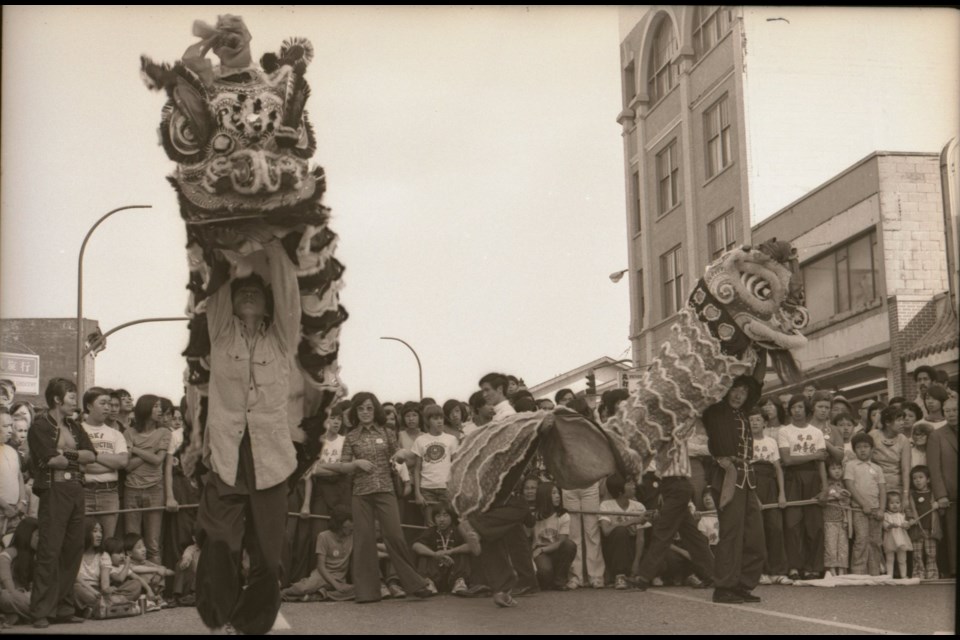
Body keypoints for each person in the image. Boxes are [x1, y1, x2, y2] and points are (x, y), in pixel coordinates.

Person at [195, 238, 303, 634]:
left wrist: (275, 247)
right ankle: (218, 614)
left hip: (271, 461)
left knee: (270, 556)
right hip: (226, 456)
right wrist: (226, 249)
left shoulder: (282, 338)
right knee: (221, 540)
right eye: (243, 290)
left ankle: (254, 620)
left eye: (256, 289)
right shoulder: (222, 332)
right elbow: (219, 287)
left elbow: (289, 292)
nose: (249, 292)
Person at [332, 392, 433, 603]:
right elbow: (342, 466)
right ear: (356, 412)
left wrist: (400, 455)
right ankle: (367, 592)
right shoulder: (351, 437)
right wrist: (356, 464)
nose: (365, 412)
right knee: (364, 541)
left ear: (375, 410)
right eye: (361, 408)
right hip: (361, 493)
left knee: (395, 536)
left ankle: (415, 584)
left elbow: (401, 457)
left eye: (369, 408)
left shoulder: (387, 433)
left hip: (386, 490)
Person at [28, 377, 96, 628]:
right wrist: (72, 458)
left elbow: (92, 455)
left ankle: (64, 608)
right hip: (54, 489)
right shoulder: (40, 425)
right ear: (57, 399)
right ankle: (40, 611)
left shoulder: (75, 426)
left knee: (73, 549)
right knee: (49, 550)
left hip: (76, 488)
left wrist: (66, 454)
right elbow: (49, 460)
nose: (75, 402)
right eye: (71, 396)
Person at [702, 370, 767, 604]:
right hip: (727, 474)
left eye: (744, 391)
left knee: (755, 536)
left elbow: (757, 385)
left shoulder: (744, 412)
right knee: (731, 534)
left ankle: (743, 584)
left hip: (748, 476)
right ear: (726, 390)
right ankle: (723, 587)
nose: (739, 395)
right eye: (735, 389)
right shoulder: (715, 411)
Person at [631, 421, 715, 593]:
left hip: (678, 485)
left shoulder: (678, 432)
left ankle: (644, 576)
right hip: (671, 486)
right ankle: (713, 575)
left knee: (662, 531)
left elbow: (688, 425)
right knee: (692, 536)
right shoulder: (658, 439)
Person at [778, 394, 827, 581]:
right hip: (792, 478)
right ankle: (794, 566)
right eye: (793, 407)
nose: (796, 411)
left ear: (807, 410)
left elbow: (821, 462)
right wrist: (814, 455)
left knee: (813, 524)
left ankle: (813, 567)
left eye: (800, 407)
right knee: (792, 523)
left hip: (813, 477)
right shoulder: (785, 431)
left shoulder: (816, 432)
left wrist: (824, 488)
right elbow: (787, 459)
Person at [123, 395, 170, 565]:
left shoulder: (164, 432)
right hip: (131, 489)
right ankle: (136, 584)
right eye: (156, 406)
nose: (160, 410)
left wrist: (136, 449)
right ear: (145, 408)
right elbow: (126, 466)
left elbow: (159, 461)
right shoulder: (128, 432)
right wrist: (151, 452)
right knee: (132, 542)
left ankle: (157, 585)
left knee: (153, 544)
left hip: (155, 489)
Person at [749, 408, 791, 585]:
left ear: (765, 423)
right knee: (757, 531)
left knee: (775, 527)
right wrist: (754, 496)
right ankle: (761, 571)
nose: (755, 423)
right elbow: (746, 470)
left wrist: (781, 493)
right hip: (753, 483)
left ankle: (778, 571)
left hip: (771, 486)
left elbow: (778, 469)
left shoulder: (771, 442)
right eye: (751, 420)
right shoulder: (744, 443)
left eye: (758, 420)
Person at [80, 387, 129, 540]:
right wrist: (109, 461)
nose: (108, 407)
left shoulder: (116, 434)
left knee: (107, 542)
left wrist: (92, 456)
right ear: (89, 406)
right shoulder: (77, 430)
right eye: (102, 403)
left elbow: (122, 462)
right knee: (82, 541)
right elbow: (80, 464)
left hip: (109, 493)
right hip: (83, 492)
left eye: (109, 403)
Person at [281, 507, 355, 602]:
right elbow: (321, 566)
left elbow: (371, 547)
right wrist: (336, 585)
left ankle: (320, 595)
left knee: (361, 591)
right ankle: (283, 594)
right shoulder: (324, 536)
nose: (351, 529)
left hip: (339, 577)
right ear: (339, 525)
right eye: (347, 527)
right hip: (322, 576)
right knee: (303, 589)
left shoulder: (352, 536)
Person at [844, 432, 886, 576]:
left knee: (875, 541)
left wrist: (881, 509)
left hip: (875, 510)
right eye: (859, 447)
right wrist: (863, 504)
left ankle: (874, 573)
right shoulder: (851, 465)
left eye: (866, 446)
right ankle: (858, 572)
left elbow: (882, 489)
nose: (863, 450)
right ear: (854, 450)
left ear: (872, 449)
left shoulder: (877, 468)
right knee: (861, 539)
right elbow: (850, 485)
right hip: (859, 509)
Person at [598, 474, 648, 590]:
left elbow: (640, 538)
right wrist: (632, 521)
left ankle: (635, 573)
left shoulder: (639, 506)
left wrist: (636, 562)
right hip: (614, 548)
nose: (634, 486)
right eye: (629, 484)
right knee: (620, 531)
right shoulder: (606, 505)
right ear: (620, 491)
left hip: (632, 547)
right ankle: (619, 575)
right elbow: (606, 531)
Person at [413, 404, 459, 527]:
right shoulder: (420, 440)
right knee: (430, 523)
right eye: (435, 418)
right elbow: (417, 469)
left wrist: (454, 488)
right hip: (427, 489)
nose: (439, 421)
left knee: (448, 522)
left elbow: (456, 466)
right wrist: (417, 493)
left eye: (441, 418)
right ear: (428, 421)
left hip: (446, 488)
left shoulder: (451, 439)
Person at [926, 396, 957, 578]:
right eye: (948, 411)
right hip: (950, 494)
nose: (952, 414)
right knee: (952, 536)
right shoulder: (937, 435)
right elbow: (934, 468)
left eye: (955, 410)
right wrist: (941, 495)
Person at [411, 502, 471, 595]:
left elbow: (471, 546)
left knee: (462, 551)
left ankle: (459, 583)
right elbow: (416, 545)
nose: (441, 519)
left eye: (445, 516)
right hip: (435, 574)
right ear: (434, 518)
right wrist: (435, 554)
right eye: (438, 516)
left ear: (452, 517)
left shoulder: (458, 531)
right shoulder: (431, 531)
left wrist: (449, 551)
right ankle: (428, 584)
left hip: (453, 572)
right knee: (424, 554)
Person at [530, 482, 577, 591]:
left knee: (570, 545)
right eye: (554, 493)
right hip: (540, 552)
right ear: (544, 495)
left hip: (553, 549)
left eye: (558, 493)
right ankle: (548, 580)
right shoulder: (534, 516)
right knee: (545, 573)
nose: (558, 496)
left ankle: (560, 581)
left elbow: (562, 542)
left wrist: (542, 549)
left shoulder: (563, 516)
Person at [0, 517, 38, 625]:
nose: (40, 539)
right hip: (12, 595)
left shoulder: (37, 556)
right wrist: (17, 594)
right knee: (5, 596)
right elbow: (7, 583)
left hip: (27, 597)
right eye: (37, 535)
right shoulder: (10, 553)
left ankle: (17, 616)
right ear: (27, 535)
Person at [905, 465, 940, 579]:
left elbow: (943, 505)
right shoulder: (912, 495)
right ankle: (918, 573)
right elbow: (908, 509)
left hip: (930, 528)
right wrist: (910, 518)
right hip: (917, 529)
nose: (918, 480)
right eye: (915, 478)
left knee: (931, 553)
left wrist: (937, 504)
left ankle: (932, 573)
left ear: (928, 479)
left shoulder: (933, 494)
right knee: (917, 553)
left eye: (921, 477)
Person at [869, 406, 911, 497]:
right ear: (887, 422)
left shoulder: (904, 440)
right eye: (899, 420)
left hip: (896, 489)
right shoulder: (873, 436)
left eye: (903, 420)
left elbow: (905, 470)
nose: (902, 423)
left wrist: (906, 494)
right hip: (875, 486)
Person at [124, 533, 171, 610]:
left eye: (144, 546)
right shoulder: (128, 562)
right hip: (138, 590)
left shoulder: (146, 562)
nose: (143, 549)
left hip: (149, 588)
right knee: (146, 575)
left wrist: (162, 570)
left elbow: (163, 569)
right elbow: (136, 569)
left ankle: (156, 597)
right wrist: (157, 569)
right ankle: (146, 601)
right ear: (129, 553)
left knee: (158, 574)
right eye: (139, 547)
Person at [0, 409, 27, 537]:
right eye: (5, 426)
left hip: (15, 512)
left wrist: (22, 501)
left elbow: (19, 476)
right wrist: (5, 506)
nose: (10, 430)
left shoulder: (11, 450)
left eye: (11, 425)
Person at [821, 460, 851, 577]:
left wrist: (845, 495)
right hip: (829, 519)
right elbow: (822, 498)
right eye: (833, 468)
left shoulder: (844, 483)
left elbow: (848, 499)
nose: (837, 471)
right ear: (827, 471)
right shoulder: (825, 484)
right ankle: (831, 568)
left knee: (843, 545)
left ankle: (842, 569)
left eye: (839, 468)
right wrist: (835, 495)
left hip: (843, 519)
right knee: (830, 545)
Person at [102, 537, 145, 604]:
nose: (122, 556)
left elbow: (138, 578)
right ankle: (118, 601)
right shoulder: (109, 567)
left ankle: (120, 601)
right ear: (109, 555)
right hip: (112, 592)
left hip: (121, 593)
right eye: (118, 553)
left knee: (136, 583)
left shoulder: (122, 566)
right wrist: (127, 564)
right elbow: (120, 579)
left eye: (122, 552)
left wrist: (149, 590)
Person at [882, 491, 911, 578]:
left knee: (902, 559)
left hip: (901, 539)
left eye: (897, 503)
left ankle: (903, 575)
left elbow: (906, 524)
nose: (895, 505)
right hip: (890, 539)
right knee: (890, 559)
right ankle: (889, 576)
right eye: (892, 503)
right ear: (887, 505)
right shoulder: (886, 515)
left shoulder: (902, 515)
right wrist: (890, 525)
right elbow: (884, 525)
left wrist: (906, 525)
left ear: (901, 504)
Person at [809, 391, 844, 463]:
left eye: (827, 407)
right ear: (813, 407)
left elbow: (840, 457)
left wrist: (825, 443)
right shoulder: (804, 428)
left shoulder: (835, 430)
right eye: (820, 407)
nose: (823, 410)